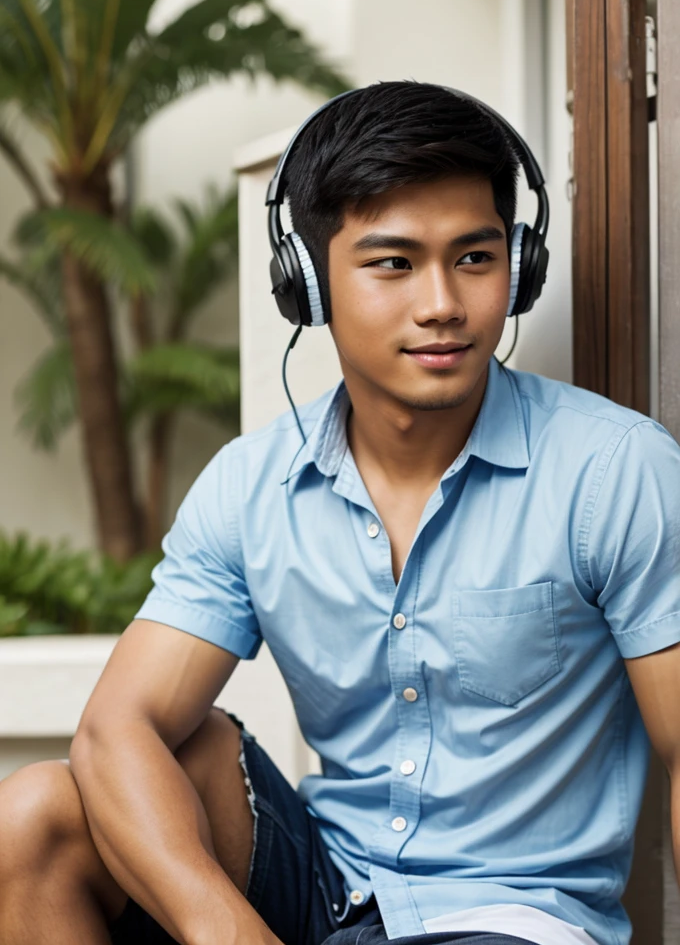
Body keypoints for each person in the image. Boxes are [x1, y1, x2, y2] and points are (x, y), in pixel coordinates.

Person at [1, 81, 679, 945]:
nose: (441, 303)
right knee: (35, 815)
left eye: (475, 258)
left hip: (512, 915)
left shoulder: (615, 471)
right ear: (309, 286)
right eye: (393, 264)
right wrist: (223, 930)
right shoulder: (253, 485)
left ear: (520, 265)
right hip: (326, 887)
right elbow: (113, 730)